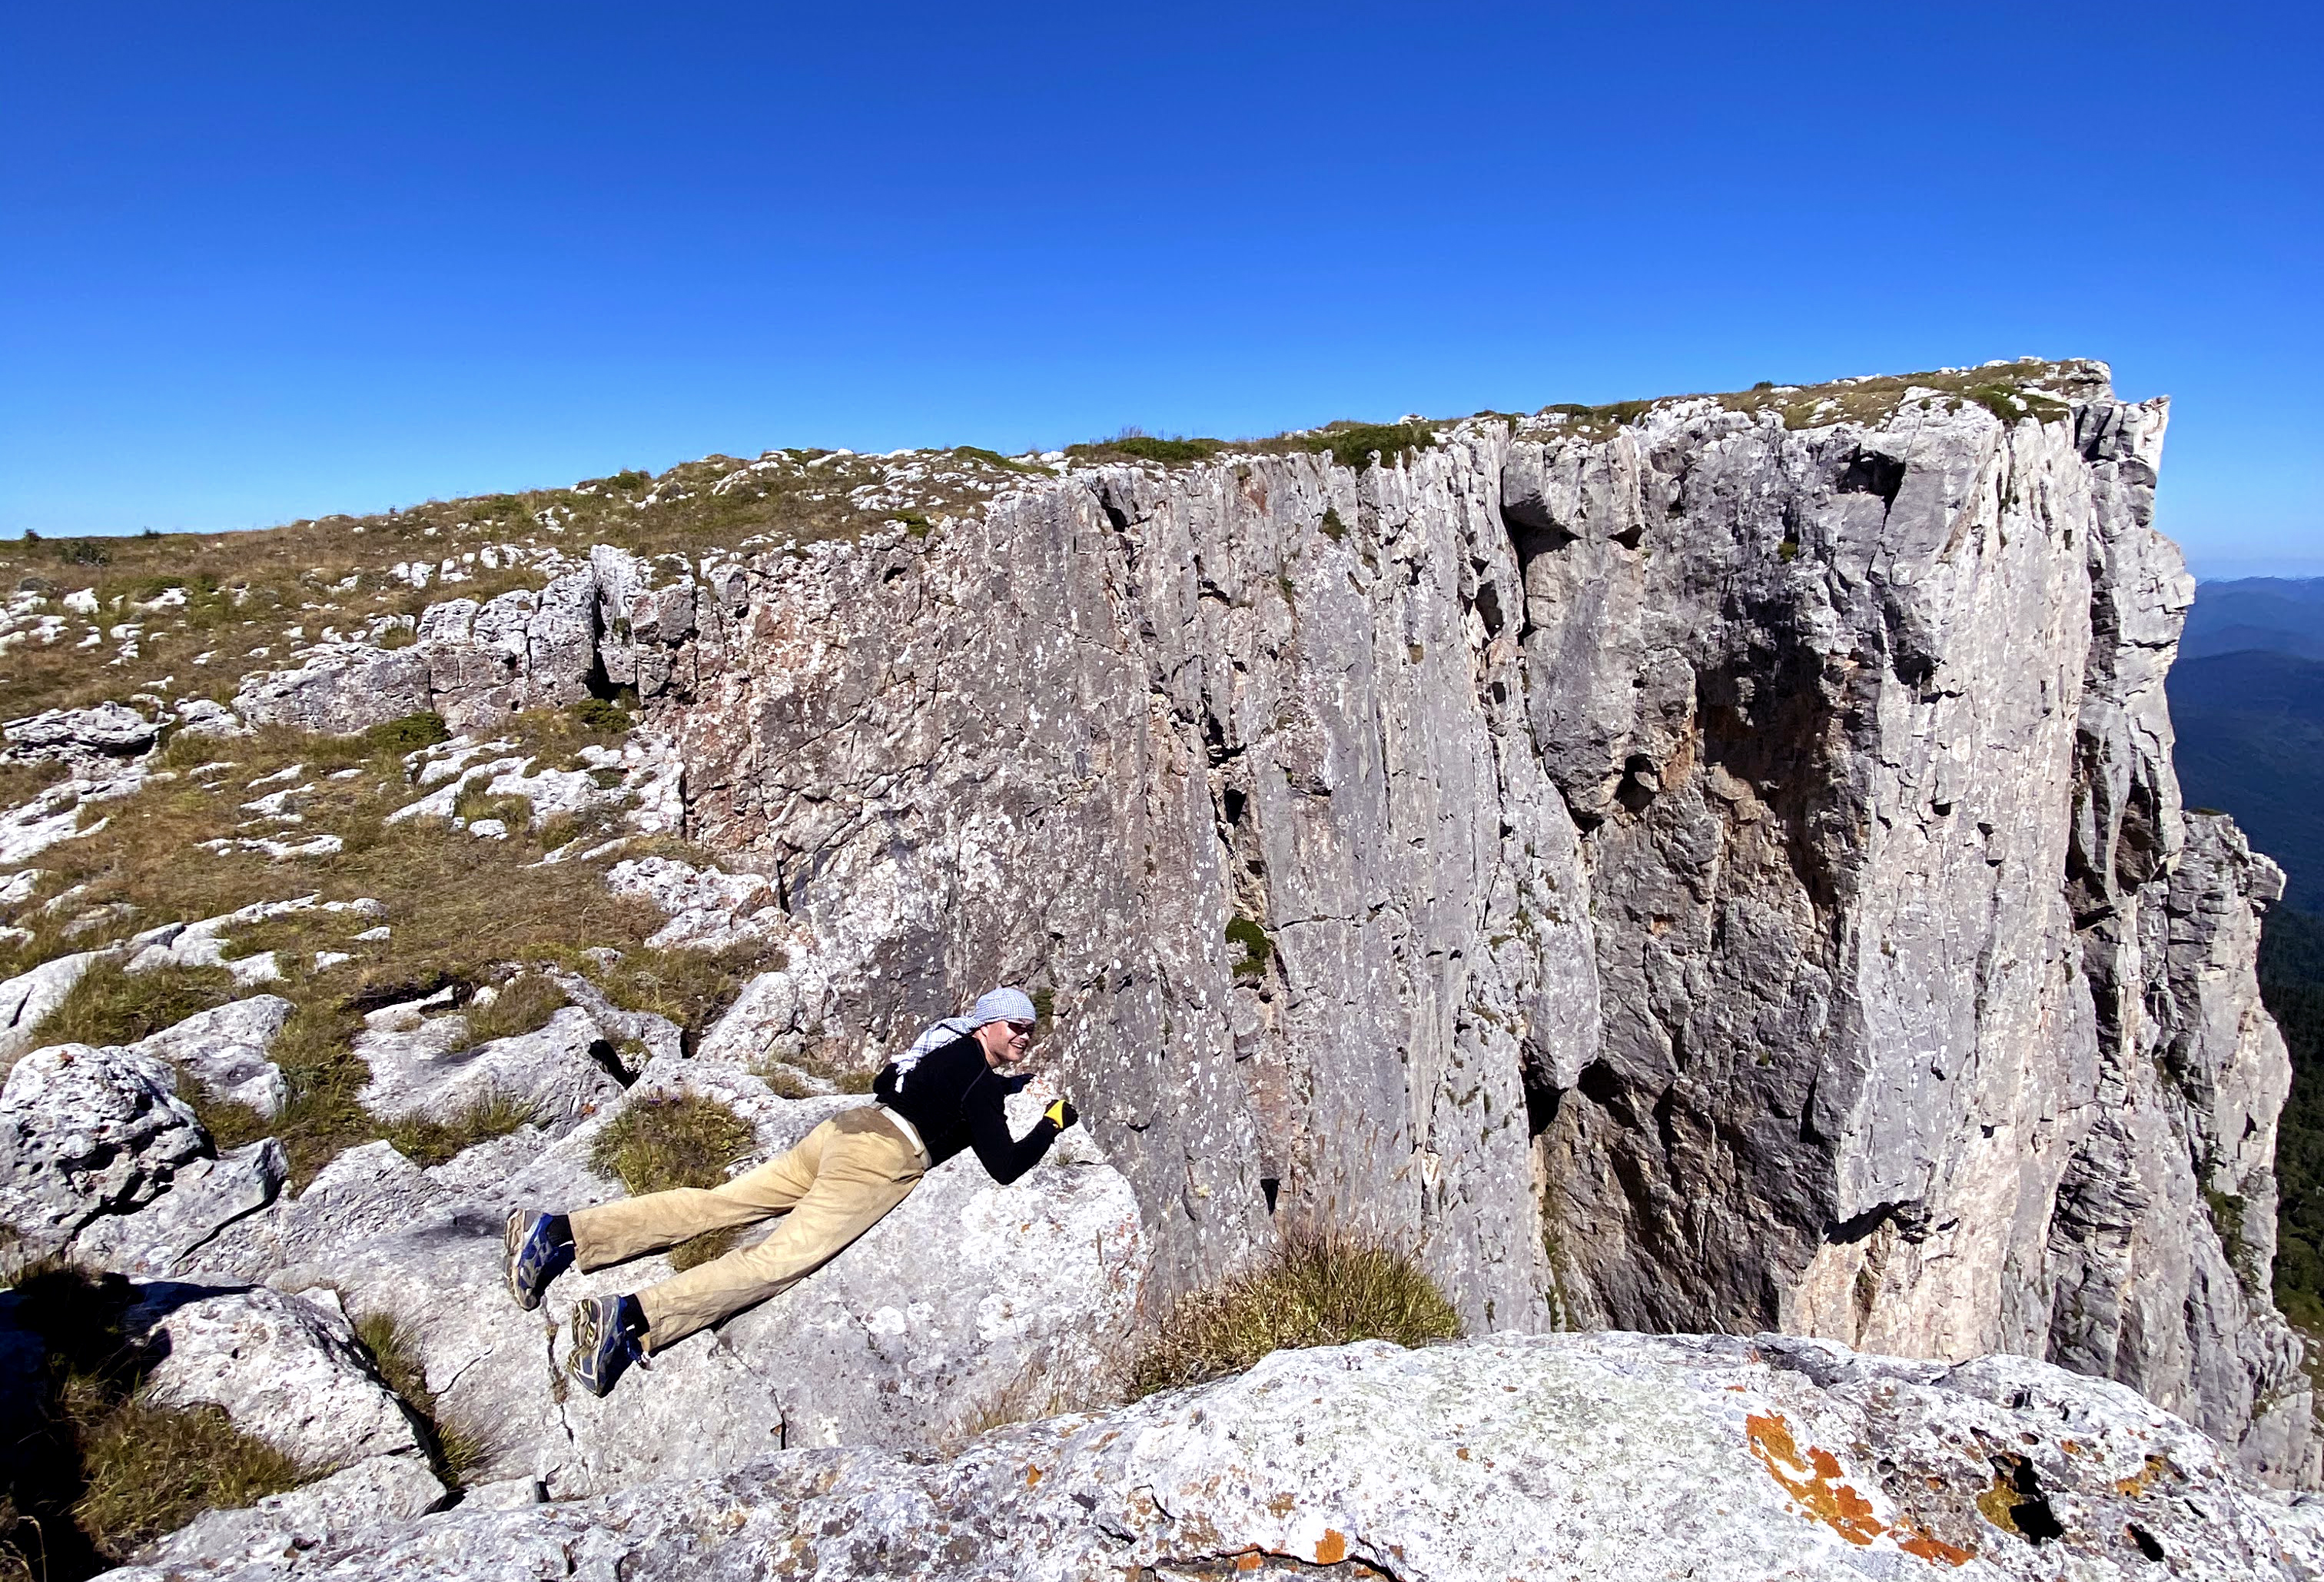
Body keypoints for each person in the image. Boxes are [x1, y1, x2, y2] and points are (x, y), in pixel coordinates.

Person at [503, 986, 1077, 1397]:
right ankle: (630, 1317)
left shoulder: (941, 1048)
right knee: (776, 1261)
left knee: (723, 1202)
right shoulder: (981, 1082)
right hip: (879, 1161)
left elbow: (885, 1080)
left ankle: (556, 1232)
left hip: (844, 1130)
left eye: (1030, 1029)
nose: (1024, 1037)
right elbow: (1005, 1166)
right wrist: (1051, 1123)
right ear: (986, 1026)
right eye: (1014, 1027)